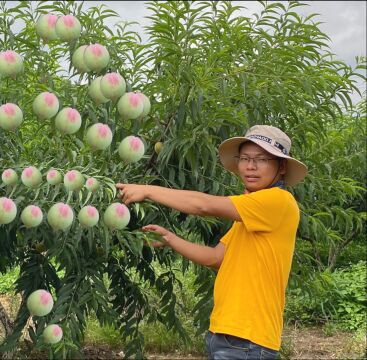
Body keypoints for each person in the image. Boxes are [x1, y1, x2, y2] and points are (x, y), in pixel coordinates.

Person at [116, 125, 308, 360]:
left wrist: (147, 190)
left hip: (247, 339)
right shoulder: (250, 216)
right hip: (225, 334)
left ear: (281, 167)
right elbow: (216, 258)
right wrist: (169, 238)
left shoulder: (278, 201)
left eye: (262, 159)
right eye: (245, 158)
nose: (250, 166)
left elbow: (203, 206)